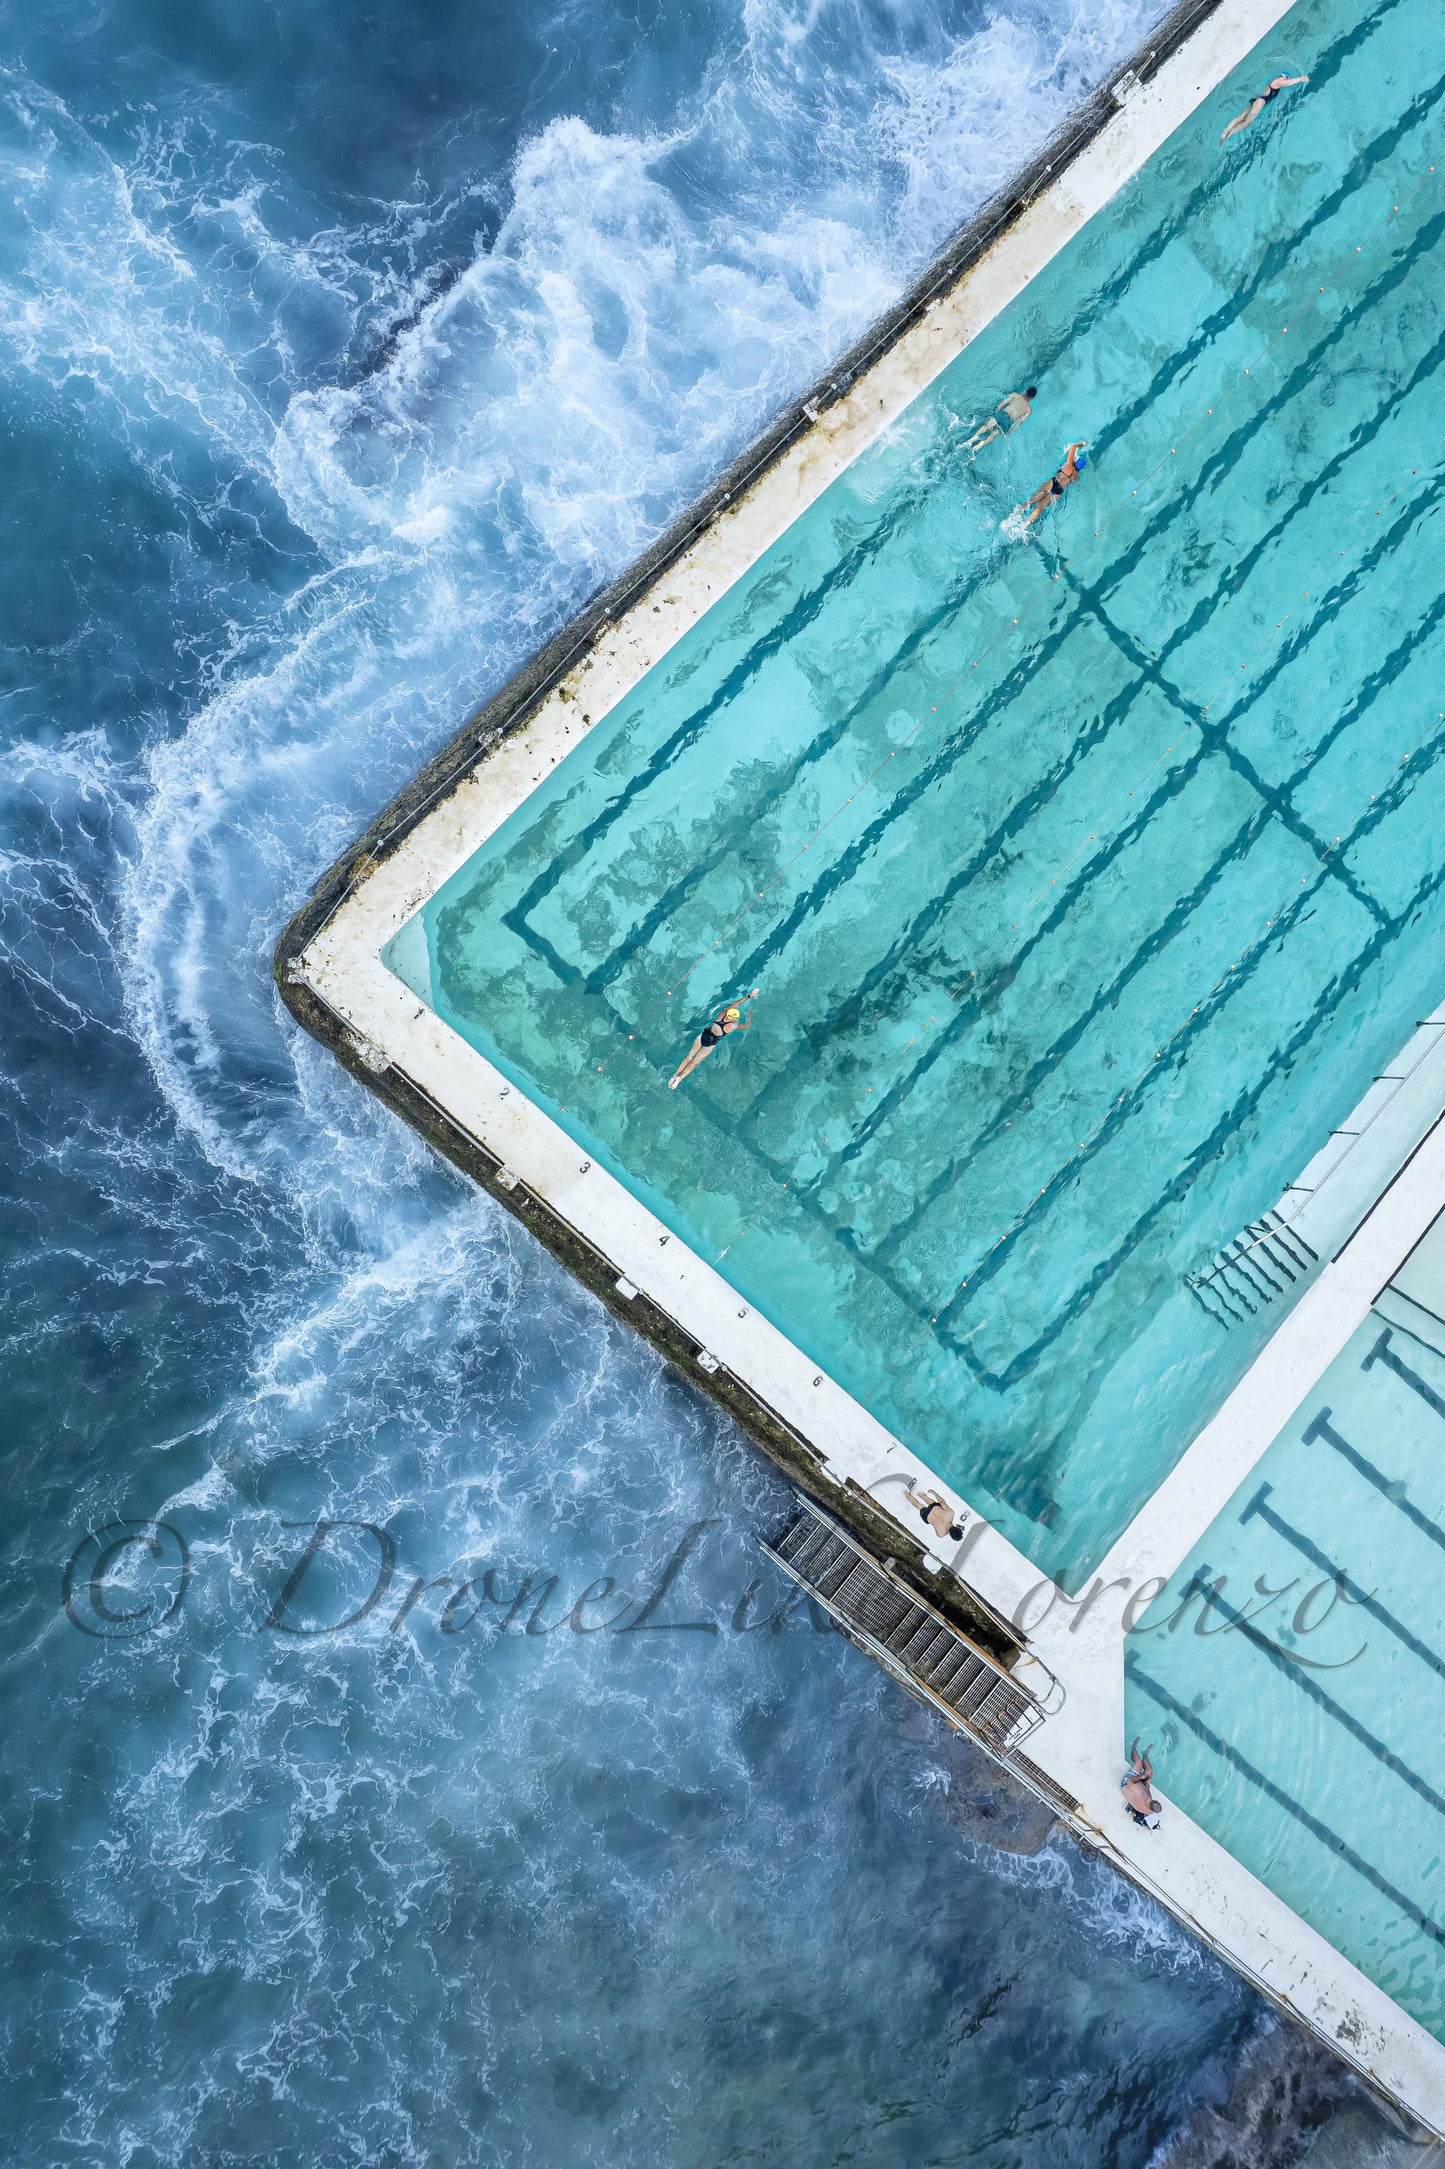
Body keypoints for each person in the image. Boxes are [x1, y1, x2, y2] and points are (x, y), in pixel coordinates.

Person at [667, 990, 759, 1089]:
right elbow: (746, 1026)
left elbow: (736, 1003)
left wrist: (748, 996)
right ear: (734, 1018)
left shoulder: (722, 1014)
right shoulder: (733, 1026)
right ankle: (679, 1079)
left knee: (689, 1057)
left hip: (704, 1035)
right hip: (711, 1043)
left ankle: (675, 1075)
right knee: (694, 1062)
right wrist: (750, 1017)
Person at [1220, 73, 1309, 142]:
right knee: (1247, 122)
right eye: (1287, 78)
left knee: (1241, 117)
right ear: (1285, 77)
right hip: (1260, 102)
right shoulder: (1278, 82)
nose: (1287, 80)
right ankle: (1228, 135)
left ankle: (1226, 130)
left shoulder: (1274, 83)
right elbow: (1288, 83)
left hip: (1256, 99)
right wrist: (1300, 79)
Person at [1021, 441, 1089, 525]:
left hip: (1053, 483)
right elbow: (1076, 485)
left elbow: (1073, 446)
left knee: (1032, 500)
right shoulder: (1076, 477)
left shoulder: (1069, 464)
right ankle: (1026, 524)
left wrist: (1083, 444)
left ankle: (1018, 511)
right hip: (1058, 492)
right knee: (1041, 507)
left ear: (1076, 462)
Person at [965, 387, 1038, 451]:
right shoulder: (1028, 409)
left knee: (986, 426)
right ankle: (983, 443)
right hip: (1008, 422)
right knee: (994, 435)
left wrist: (996, 410)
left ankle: (972, 439)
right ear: (1032, 398)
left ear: (1026, 391)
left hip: (1002, 414)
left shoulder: (1015, 395)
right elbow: (1020, 423)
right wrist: (1010, 431)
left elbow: (1003, 403)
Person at [1121, 1740, 1162, 1830]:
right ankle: (1145, 1754)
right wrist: (1146, 1784)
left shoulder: (1139, 1793)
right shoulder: (1151, 1809)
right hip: (1138, 1785)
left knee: (1138, 1763)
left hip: (1127, 1783)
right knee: (1150, 1771)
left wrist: (1141, 1777)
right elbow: (1148, 1792)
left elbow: (1129, 1782)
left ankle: (1133, 1748)